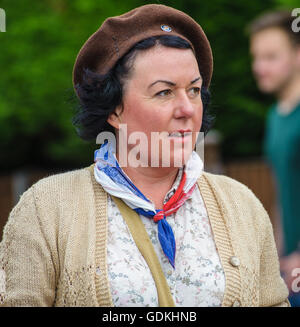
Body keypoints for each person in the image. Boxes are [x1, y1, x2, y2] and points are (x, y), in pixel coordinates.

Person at [0, 4, 289, 307]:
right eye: (164, 92)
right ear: (114, 109)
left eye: (193, 90)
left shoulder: (242, 205)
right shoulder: (46, 210)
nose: (188, 109)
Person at [249, 10, 300, 307]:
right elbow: (283, 194)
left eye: (270, 57)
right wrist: (275, 258)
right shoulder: (275, 117)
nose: (259, 67)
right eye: (256, 57)